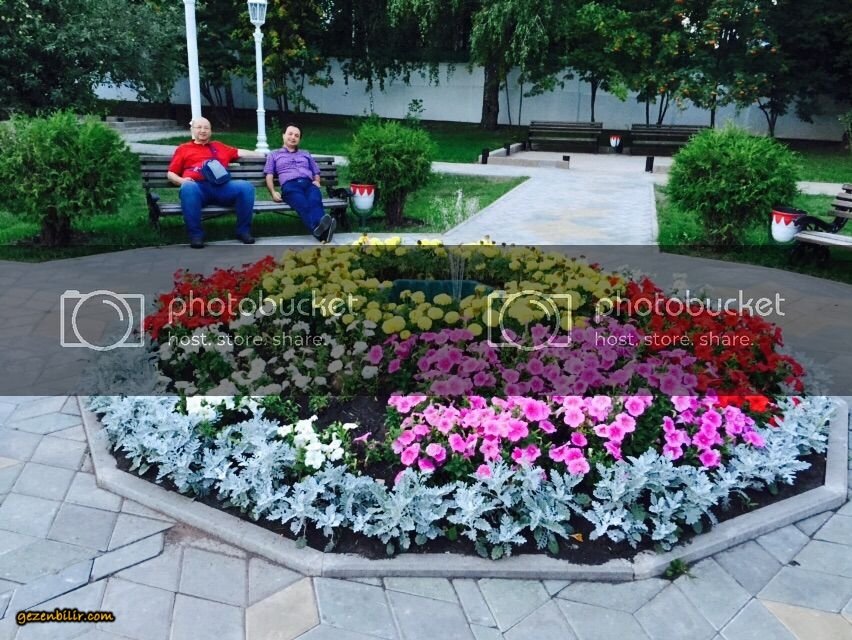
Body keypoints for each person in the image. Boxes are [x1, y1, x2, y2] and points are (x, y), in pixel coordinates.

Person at [167, 117, 260, 249]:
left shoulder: (219, 146)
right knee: (188, 188)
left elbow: (239, 152)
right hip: (198, 188)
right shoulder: (183, 149)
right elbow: (171, 173)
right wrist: (182, 181)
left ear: (210, 131)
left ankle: (243, 231)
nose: (203, 130)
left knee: (246, 187)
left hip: (222, 187)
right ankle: (196, 235)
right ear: (192, 130)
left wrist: (263, 154)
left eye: (206, 128)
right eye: (199, 127)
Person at [264, 123, 336, 243]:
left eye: (296, 135)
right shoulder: (274, 154)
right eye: (290, 134)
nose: (293, 137)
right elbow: (269, 174)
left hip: (309, 184)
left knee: (315, 201)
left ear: (299, 139)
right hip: (290, 186)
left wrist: (317, 181)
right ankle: (323, 232)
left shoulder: (305, 153)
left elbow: (316, 171)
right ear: (283, 135)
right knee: (303, 204)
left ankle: (321, 231)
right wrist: (273, 192)